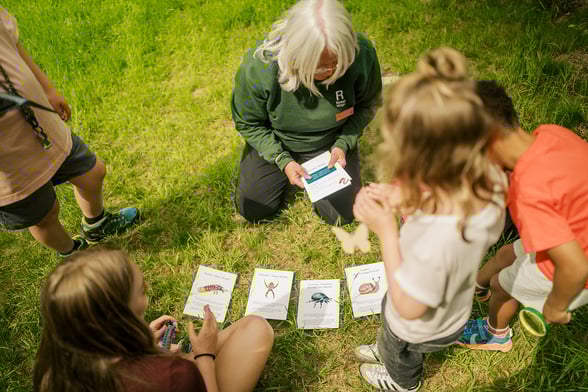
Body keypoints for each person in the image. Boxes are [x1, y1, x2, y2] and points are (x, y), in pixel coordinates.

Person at [351, 48, 507, 391]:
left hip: (418, 326)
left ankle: (402, 382)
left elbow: (406, 307)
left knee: (400, 349)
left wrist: (387, 233)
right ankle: (387, 352)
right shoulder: (489, 181)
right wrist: (406, 197)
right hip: (452, 307)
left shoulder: (440, 237)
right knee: (389, 333)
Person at [457, 80, 588, 352]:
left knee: (500, 285)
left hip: (572, 266)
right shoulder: (551, 134)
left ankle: (496, 335)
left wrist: (555, 305)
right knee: (507, 254)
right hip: (573, 227)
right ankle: (477, 287)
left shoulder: (529, 192)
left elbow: (575, 267)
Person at [33, 247, 274, 392]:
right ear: (119, 314)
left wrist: (145, 343)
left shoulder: (52, 367)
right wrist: (204, 356)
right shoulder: (170, 375)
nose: (147, 286)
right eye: (141, 290)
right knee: (257, 328)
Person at [0, 7, 138, 257]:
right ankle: (73, 254)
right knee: (45, 215)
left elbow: (13, 44)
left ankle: (97, 225)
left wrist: (48, 88)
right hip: (7, 161)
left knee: (92, 172)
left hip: (41, 125)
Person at [231, 0, 382, 225]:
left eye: (339, 63)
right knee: (253, 209)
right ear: (294, 55)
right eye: (320, 66)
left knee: (342, 215)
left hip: (331, 143)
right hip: (279, 140)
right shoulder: (259, 67)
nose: (331, 72)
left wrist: (344, 142)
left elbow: (368, 104)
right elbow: (249, 123)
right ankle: (268, 165)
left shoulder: (362, 54)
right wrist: (281, 159)